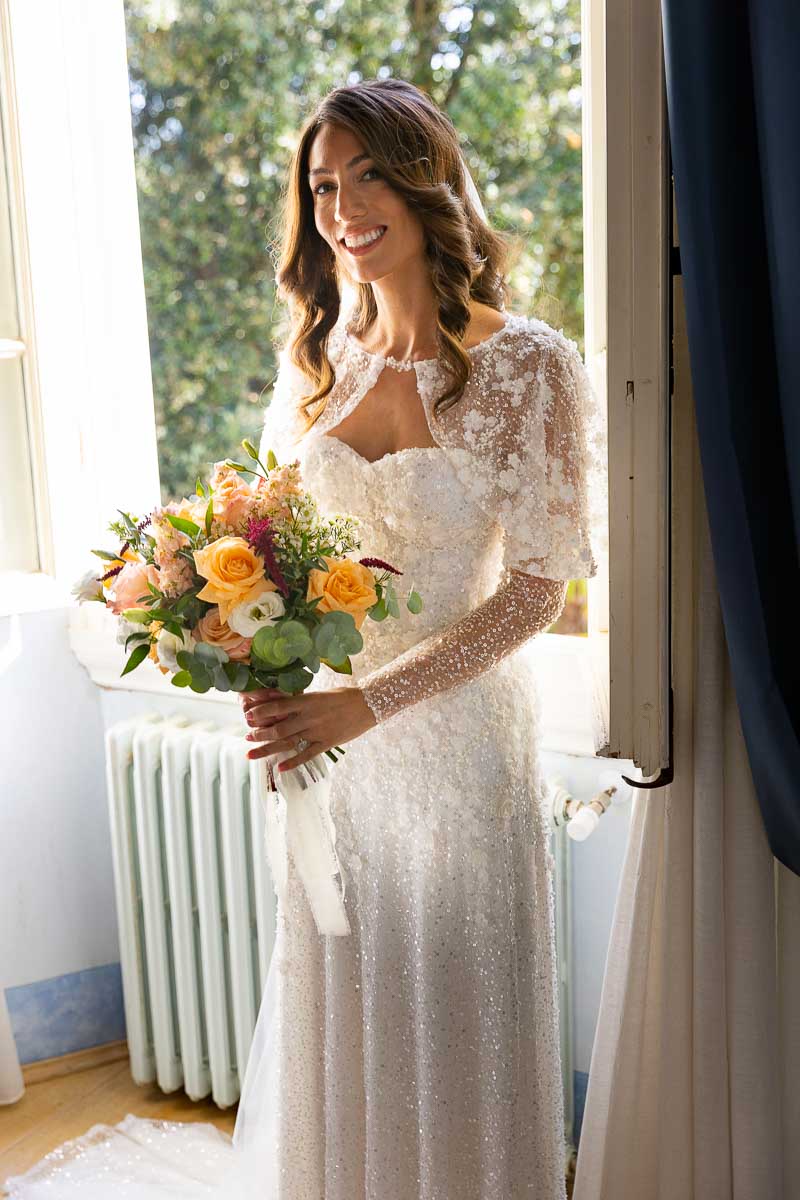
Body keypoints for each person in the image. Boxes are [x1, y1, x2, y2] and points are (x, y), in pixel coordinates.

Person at [4, 78, 605, 1199]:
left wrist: (361, 704)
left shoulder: (529, 366)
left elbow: (535, 591)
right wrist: (228, 631)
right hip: (326, 746)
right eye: (322, 185)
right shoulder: (320, 361)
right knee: (348, 994)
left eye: (366, 173)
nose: (341, 206)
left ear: (426, 179)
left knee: (452, 1002)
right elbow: (277, 540)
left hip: (459, 743)